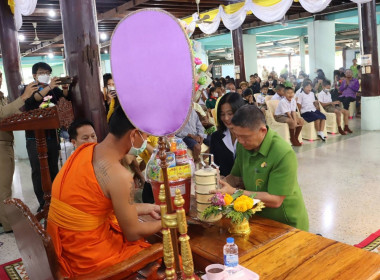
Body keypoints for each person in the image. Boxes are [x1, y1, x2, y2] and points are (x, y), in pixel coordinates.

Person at [47, 106, 162, 277]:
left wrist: (146, 207)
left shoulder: (83, 151)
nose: (146, 142)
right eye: (145, 136)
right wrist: (169, 221)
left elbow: (92, 207)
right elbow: (133, 232)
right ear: (133, 135)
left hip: (65, 245)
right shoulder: (119, 175)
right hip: (86, 260)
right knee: (167, 255)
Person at [211, 105, 309, 231]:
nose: (240, 141)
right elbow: (235, 178)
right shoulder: (243, 145)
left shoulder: (283, 152)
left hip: (285, 222)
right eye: (237, 135)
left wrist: (234, 192)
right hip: (257, 217)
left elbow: (276, 200)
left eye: (245, 137)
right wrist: (216, 187)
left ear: (263, 131)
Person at [24, 62, 70, 212]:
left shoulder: (53, 89)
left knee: (52, 168)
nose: (46, 74)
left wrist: (64, 89)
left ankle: (55, 200)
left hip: (51, 136)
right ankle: (43, 203)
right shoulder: (28, 89)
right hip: (34, 138)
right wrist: (49, 86)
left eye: (47, 72)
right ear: (34, 75)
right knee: (38, 170)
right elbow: (32, 101)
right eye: (42, 72)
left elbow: (64, 98)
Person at [0, 73, 37, 233]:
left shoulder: (1, 95)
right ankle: (8, 225)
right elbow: (1, 114)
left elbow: (8, 116)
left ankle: (4, 221)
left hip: (6, 143)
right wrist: (24, 97)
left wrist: (30, 117)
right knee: (4, 189)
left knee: (4, 186)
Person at [210, 93, 245, 176]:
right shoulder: (216, 137)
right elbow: (213, 165)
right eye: (222, 114)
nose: (226, 118)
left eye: (230, 114)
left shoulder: (250, 136)